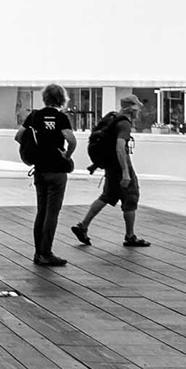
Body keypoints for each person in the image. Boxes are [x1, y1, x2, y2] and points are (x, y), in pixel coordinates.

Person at [71, 93, 149, 251]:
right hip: (120, 166)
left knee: (107, 196)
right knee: (131, 197)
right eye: (137, 109)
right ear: (132, 109)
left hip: (111, 166)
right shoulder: (124, 124)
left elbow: (106, 143)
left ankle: (83, 225)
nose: (138, 112)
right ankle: (130, 236)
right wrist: (126, 172)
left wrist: (97, 164)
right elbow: (120, 148)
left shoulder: (112, 118)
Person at [18, 82, 75, 267]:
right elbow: (71, 140)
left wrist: (34, 150)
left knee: (41, 211)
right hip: (57, 170)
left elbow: (19, 136)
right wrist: (67, 155)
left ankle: (38, 253)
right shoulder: (61, 117)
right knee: (52, 213)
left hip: (40, 169)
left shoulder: (35, 116)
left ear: (45, 98)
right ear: (61, 99)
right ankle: (46, 253)